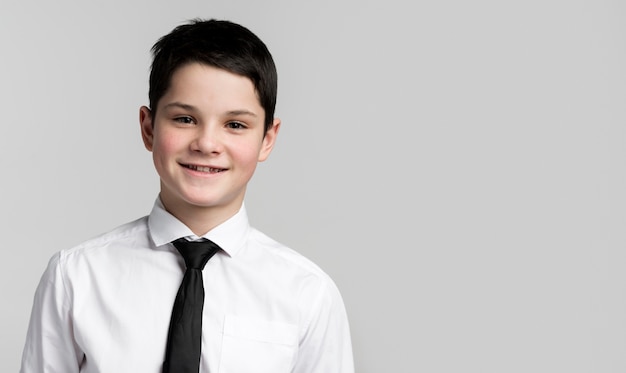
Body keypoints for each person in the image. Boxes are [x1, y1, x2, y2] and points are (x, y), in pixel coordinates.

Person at [20, 19, 354, 373]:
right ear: (148, 128)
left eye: (235, 125)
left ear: (267, 139)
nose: (207, 144)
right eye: (184, 119)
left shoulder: (307, 293)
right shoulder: (76, 278)